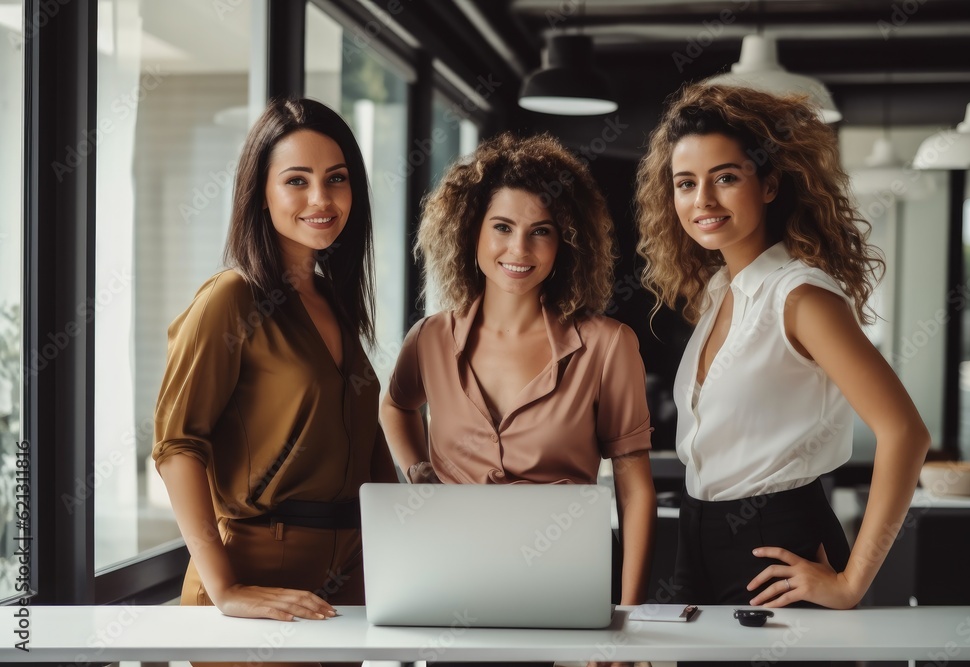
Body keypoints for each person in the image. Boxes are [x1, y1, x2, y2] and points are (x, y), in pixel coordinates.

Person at [635, 82, 930, 611]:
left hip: (778, 544)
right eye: (685, 183)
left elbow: (906, 432)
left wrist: (850, 582)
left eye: (725, 178)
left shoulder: (800, 297)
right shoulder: (720, 292)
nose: (702, 200)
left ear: (769, 184)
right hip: (696, 537)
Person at [152, 97, 397, 665]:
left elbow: (363, 442)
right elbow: (176, 446)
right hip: (258, 576)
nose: (322, 199)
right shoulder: (230, 298)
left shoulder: (334, 301)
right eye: (297, 180)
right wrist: (226, 589)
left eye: (336, 179)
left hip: (346, 583)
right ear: (259, 191)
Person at [380, 132, 657, 608]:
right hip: (451, 570)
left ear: (566, 241)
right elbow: (394, 406)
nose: (519, 249)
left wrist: (629, 618)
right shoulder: (430, 339)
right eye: (502, 227)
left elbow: (635, 492)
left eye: (541, 231)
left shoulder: (608, 346)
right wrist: (418, 470)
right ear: (472, 232)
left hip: (566, 576)